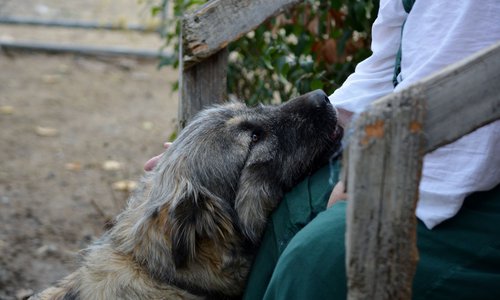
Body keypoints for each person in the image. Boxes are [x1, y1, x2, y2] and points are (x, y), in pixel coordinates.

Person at [147, 1, 500, 298]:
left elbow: (478, 87)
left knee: (314, 262)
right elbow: (393, 58)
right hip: (412, 136)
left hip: (465, 174)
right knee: (284, 219)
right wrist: (196, 164)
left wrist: (374, 172)